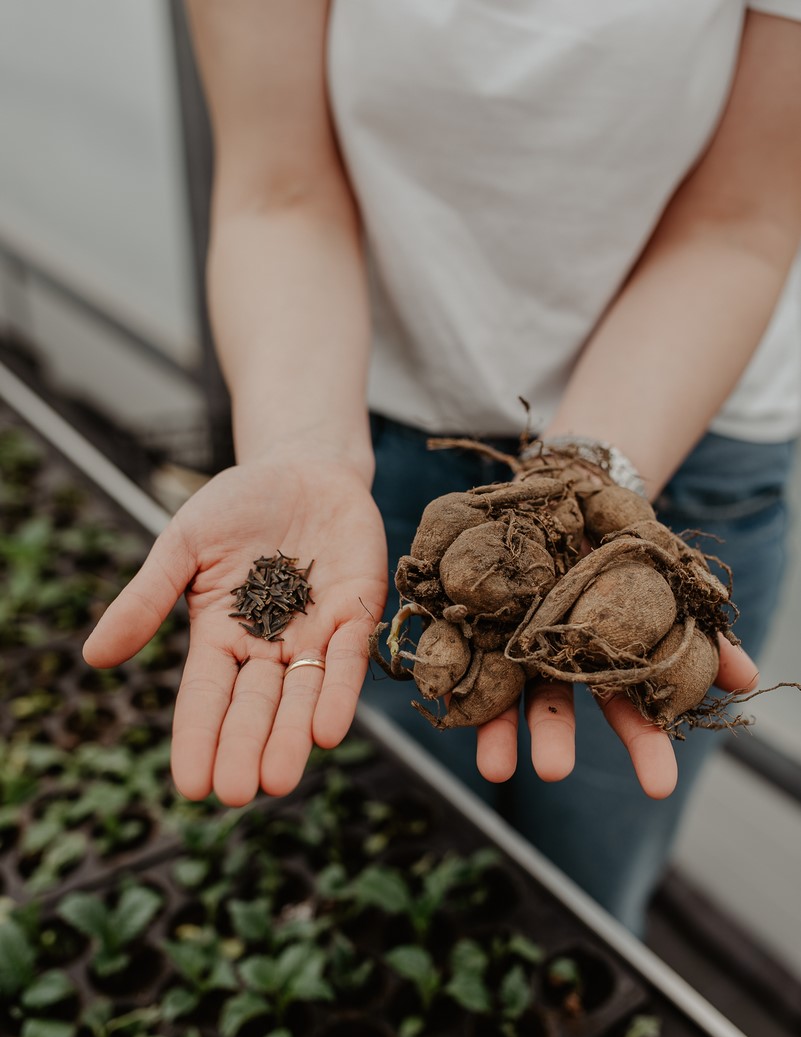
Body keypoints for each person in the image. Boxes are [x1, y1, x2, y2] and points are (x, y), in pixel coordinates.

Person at [83, 1, 801, 936]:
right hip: (367, 451)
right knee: (417, 871)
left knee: (585, 897)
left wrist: (578, 482)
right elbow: (279, 186)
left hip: (687, 430)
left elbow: (738, 220)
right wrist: (299, 447)